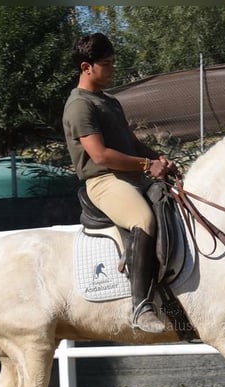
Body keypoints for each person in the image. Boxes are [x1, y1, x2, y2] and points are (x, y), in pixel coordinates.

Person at [63, 32, 175, 334]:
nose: (113, 69)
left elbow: (131, 143)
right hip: (104, 182)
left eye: (113, 62)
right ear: (87, 67)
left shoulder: (109, 101)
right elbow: (100, 156)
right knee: (143, 219)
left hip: (131, 176)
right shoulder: (79, 106)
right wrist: (145, 165)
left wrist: (159, 159)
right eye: (107, 64)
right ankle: (140, 306)